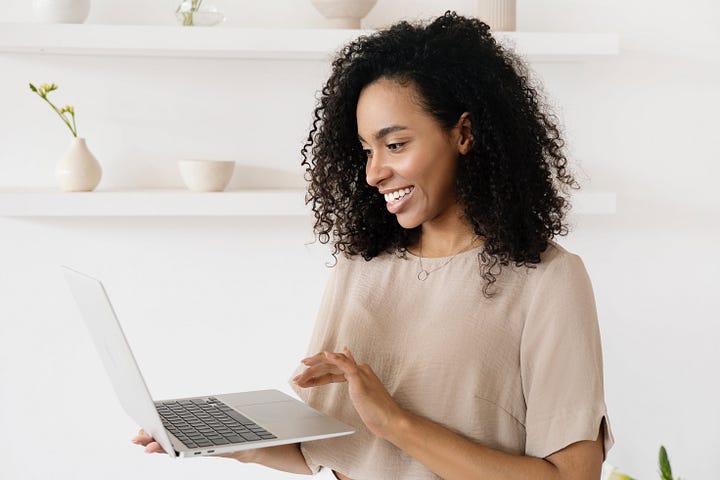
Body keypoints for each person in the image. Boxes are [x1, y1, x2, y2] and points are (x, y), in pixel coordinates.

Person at [134, 11, 614, 480]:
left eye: (396, 145)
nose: (374, 172)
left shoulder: (547, 279)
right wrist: (233, 442)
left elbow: (573, 476)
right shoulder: (361, 266)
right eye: (367, 149)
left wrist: (396, 423)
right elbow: (331, 450)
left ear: (464, 133)